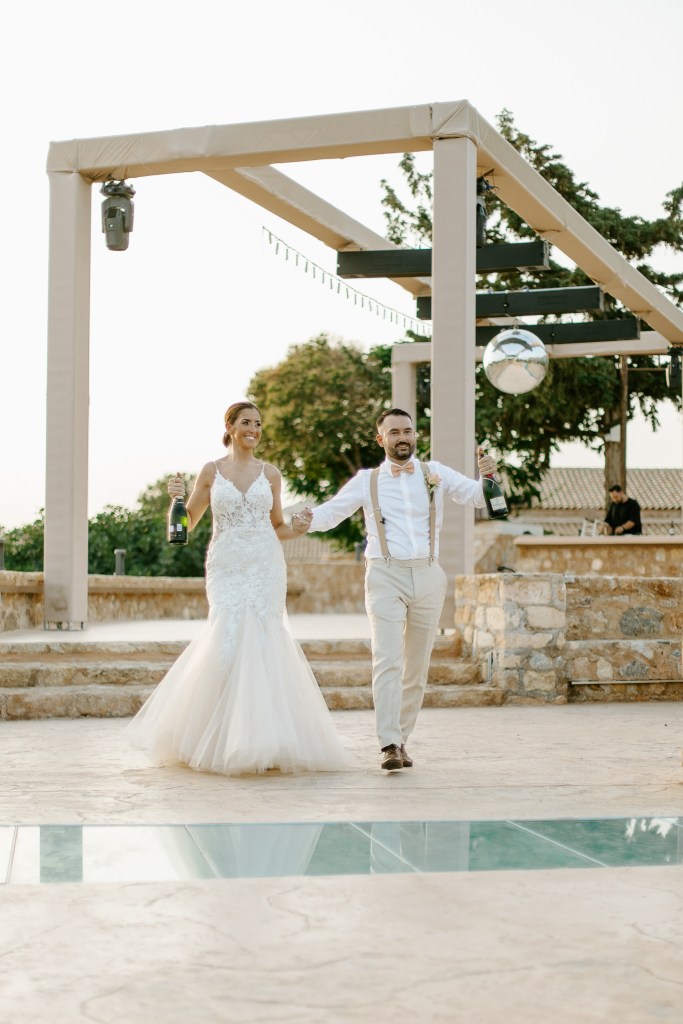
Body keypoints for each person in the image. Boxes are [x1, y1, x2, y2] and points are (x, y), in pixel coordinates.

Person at [126, 401, 353, 776]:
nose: (254, 429)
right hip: (227, 565)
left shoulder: (271, 474)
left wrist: (297, 529)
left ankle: (268, 739)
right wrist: (176, 500)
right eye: (246, 422)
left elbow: (277, 527)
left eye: (258, 424)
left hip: (265, 565)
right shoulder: (211, 471)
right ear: (230, 427)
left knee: (264, 638)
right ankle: (216, 737)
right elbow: (189, 521)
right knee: (227, 637)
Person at [295, 408, 498, 772]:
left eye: (408, 431)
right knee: (387, 659)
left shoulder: (435, 472)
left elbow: (479, 497)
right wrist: (303, 519)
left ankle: (402, 738)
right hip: (384, 574)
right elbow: (331, 513)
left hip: (428, 573)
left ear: (415, 435)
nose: (402, 437)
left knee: (417, 667)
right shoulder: (366, 480)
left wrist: (488, 475)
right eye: (394, 432)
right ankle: (388, 743)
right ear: (381, 439)